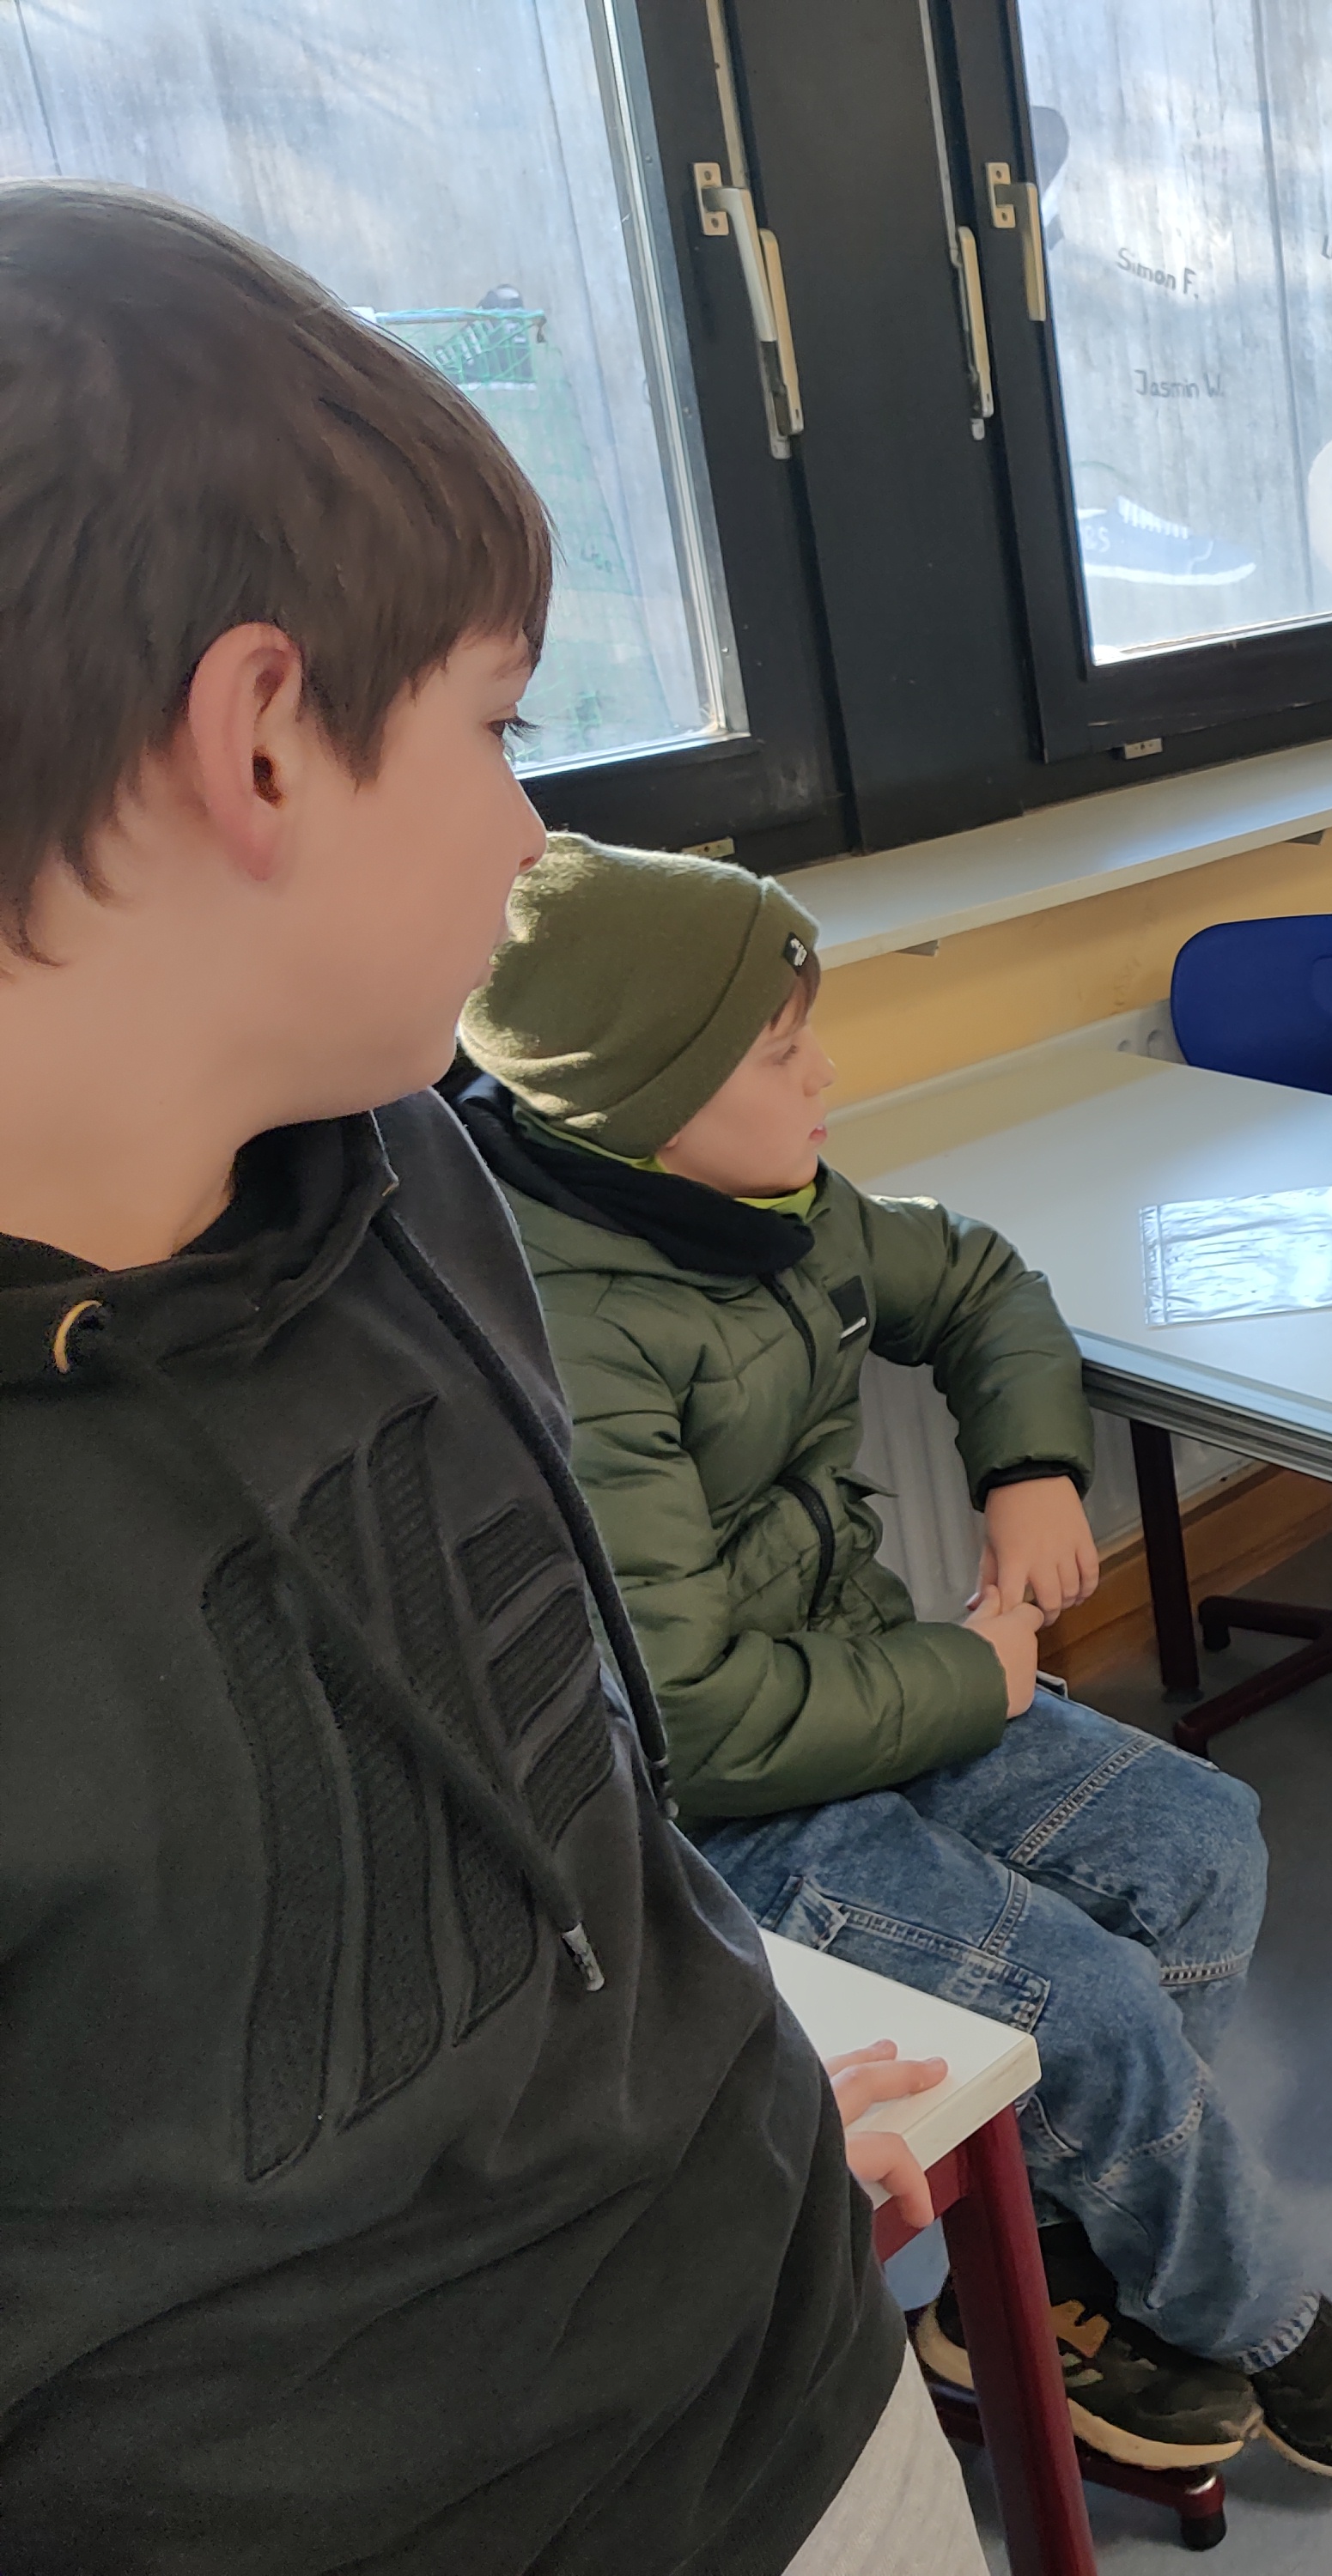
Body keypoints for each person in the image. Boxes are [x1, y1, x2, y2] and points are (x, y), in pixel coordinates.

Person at [0, 180, 977, 2573]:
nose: (532, 826)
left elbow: (575, 1769)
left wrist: (729, 2100)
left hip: (792, 2376)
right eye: (493, 725)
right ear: (261, 739)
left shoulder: (414, 1176)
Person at [451, 838, 1332, 2482]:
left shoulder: (762, 1202)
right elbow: (695, 1726)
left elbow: (973, 1278)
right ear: (652, 1102)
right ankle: (1249, 2314)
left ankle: (1034, 2269)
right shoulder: (570, 1328)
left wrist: (1027, 1462)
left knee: (1206, 1841)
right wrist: (974, 1680)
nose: (826, 1075)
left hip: (862, 1686)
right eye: (782, 1054)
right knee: (1094, 2007)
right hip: (725, 1819)